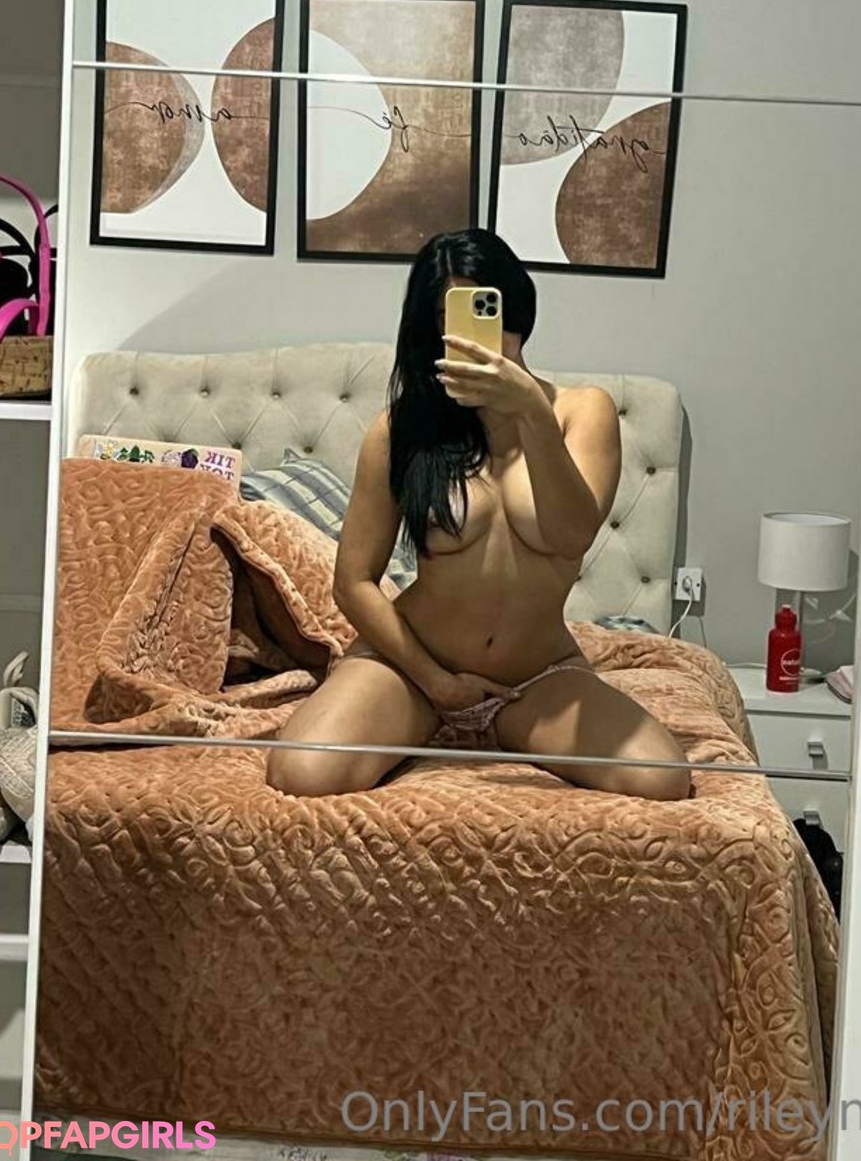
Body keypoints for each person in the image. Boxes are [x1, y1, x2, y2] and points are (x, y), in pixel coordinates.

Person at [266, 228, 690, 800]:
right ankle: (429, 717)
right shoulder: (403, 431)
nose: (481, 335)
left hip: (535, 679)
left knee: (661, 779)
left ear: (517, 307)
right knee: (301, 773)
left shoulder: (581, 412)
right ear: (434, 333)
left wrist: (530, 411)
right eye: (455, 320)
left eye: (488, 309)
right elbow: (354, 581)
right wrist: (436, 683)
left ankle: (506, 729)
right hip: (416, 670)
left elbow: (571, 535)